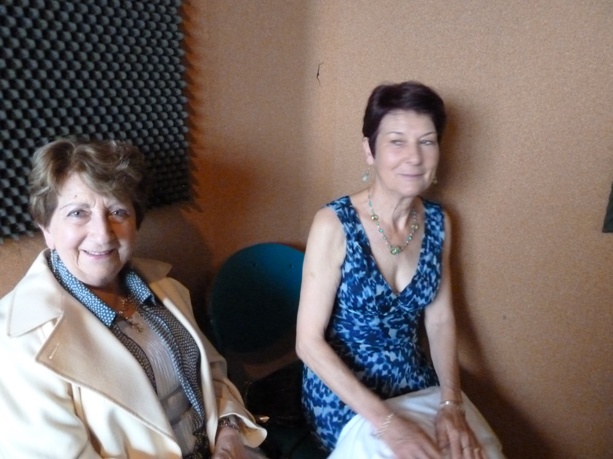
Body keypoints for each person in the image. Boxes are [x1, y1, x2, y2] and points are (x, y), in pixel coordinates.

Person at [0, 138, 266, 458]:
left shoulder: (165, 290)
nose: (103, 234)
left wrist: (229, 430)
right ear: (46, 228)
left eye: (117, 211)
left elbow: (212, 375)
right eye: (78, 213)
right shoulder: (16, 342)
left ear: (136, 223)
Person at [296, 82, 502, 459]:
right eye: (396, 142)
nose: (414, 157)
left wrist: (451, 404)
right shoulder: (334, 223)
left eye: (427, 141)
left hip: (414, 379)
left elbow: (440, 320)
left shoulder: (439, 222)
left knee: (473, 450)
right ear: (369, 150)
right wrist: (388, 423)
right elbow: (308, 343)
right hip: (344, 392)